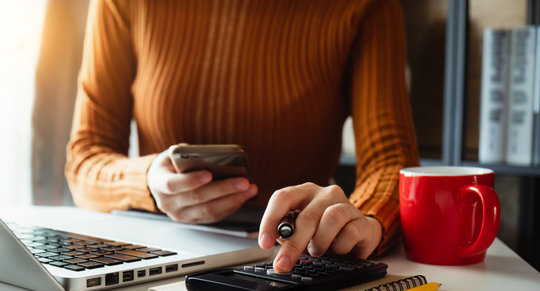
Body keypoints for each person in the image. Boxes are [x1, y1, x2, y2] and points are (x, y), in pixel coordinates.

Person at [65, 0, 420, 273]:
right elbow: (85, 159)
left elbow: (393, 163)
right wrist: (147, 182)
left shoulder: (365, 7)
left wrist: (367, 220)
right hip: (154, 260)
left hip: (291, 262)